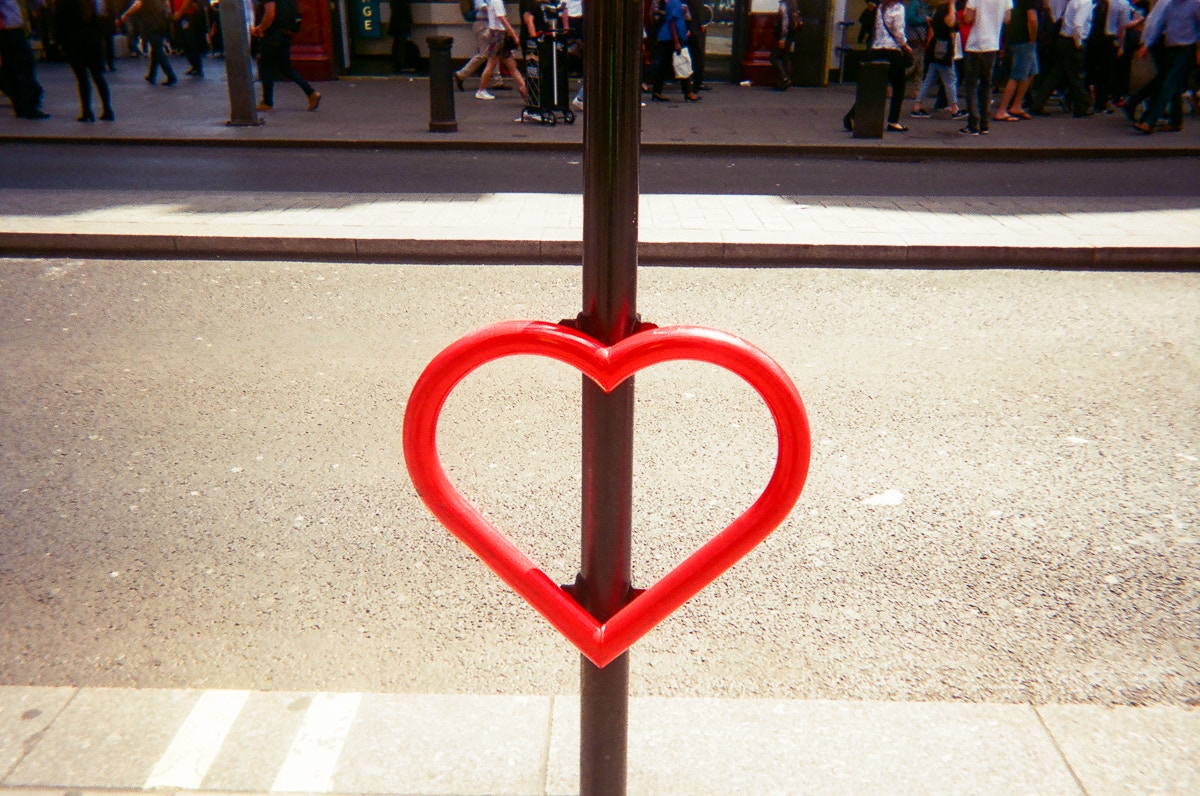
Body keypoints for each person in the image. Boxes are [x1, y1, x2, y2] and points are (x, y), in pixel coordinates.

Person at [1131, 0, 1200, 132]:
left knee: (1168, 83)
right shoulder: (1170, 5)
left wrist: (1198, 49)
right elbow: (1159, 24)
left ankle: (1150, 122)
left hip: (1187, 48)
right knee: (1175, 85)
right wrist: (1147, 44)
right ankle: (1176, 121)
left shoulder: (1196, 4)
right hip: (1171, 47)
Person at [843, 0, 911, 131]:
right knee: (899, 87)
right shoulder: (898, 8)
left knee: (874, 86)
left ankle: (852, 115)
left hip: (877, 49)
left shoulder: (880, 7)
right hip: (893, 51)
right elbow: (898, 30)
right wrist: (905, 45)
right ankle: (893, 121)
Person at [250, 0, 321, 111]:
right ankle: (311, 93)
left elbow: (270, 14)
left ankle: (267, 102)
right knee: (285, 68)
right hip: (285, 35)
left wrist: (259, 29)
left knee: (266, 68)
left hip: (272, 35)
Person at [1029, 0, 1093, 116]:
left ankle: (1038, 103)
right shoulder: (1085, 3)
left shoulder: (1073, 2)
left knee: (1056, 74)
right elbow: (1078, 24)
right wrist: (1078, 43)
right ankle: (1082, 107)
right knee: (1076, 75)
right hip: (1073, 41)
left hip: (1063, 39)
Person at [56, 0, 116, 120]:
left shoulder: (64, 3)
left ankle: (86, 111)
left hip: (74, 43)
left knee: (82, 78)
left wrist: (61, 43)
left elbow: (60, 22)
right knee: (98, 76)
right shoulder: (92, 3)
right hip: (92, 42)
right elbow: (101, 19)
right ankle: (107, 109)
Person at [959, 0, 1012, 134]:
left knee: (971, 85)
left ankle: (973, 124)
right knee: (986, 84)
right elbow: (1007, 19)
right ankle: (984, 124)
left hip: (975, 44)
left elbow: (968, 18)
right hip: (992, 44)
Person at [911, 0, 966, 116]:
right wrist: (951, 5)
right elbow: (951, 23)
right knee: (950, 78)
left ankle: (917, 105)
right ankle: (955, 108)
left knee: (929, 78)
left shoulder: (937, 10)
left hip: (935, 47)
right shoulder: (946, 9)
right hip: (944, 48)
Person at [0, 0, 50, 118]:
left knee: (10, 69)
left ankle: (19, 105)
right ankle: (29, 106)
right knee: (25, 67)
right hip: (12, 30)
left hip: (5, 32)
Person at [994, 0, 1040, 119]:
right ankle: (1002, 110)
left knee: (1032, 71)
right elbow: (1032, 19)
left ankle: (1016, 105)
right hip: (1024, 38)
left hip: (1013, 36)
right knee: (1017, 75)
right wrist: (1033, 37)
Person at [475, 0, 528, 101]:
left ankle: (523, 86)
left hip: (499, 34)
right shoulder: (497, 2)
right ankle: (481, 90)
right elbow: (503, 20)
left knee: (510, 64)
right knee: (491, 64)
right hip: (498, 35)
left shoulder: (495, 2)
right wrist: (514, 36)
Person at [649, 0, 700, 100]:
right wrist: (676, 42)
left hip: (669, 37)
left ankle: (657, 91)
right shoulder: (674, 3)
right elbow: (672, 23)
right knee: (682, 62)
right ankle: (688, 91)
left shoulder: (676, 3)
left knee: (664, 64)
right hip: (672, 38)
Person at [117, 0, 177, 85]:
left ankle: (171, 75)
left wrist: (125, 14)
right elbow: (167, 4)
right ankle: (151, 74)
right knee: (155, 48)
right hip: (161, 21)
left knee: (157, 50)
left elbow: (137, 5)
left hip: (151, 22)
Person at [770, 0, 801, 90]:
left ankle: (784, 78)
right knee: (784, 57)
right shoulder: (793, 3)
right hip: (791, 35)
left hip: (785, 36)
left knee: (774, 57)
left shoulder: (784, 5)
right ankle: (785, 82)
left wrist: (782, 38)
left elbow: (785, 22)